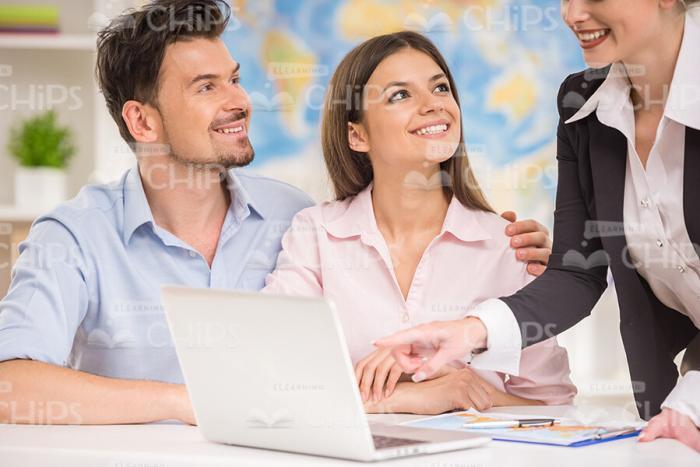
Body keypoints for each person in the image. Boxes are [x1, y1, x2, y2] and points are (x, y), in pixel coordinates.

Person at [0, 1, 550, 425]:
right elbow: (10, 387)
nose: (239, 101)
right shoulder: (74, 235)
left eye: (235, 78)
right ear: (143, 123)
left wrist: (532, 274)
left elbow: (306, 380)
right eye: (206, 87)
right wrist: (190, 402)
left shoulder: (295, 217)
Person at [375, 0, 700, 451]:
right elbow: (576, 272)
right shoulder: (581, 101)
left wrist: (692, 402)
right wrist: (470, 331)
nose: (573, 14)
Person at [262, 31, 577, 415]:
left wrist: (464, 386)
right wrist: (414, 397)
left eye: (440, 88)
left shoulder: (509, 247)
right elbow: (272, 376)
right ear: (357, 135)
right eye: (400, 95)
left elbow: (553, 407)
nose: (433, 106)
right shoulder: (315, 234)